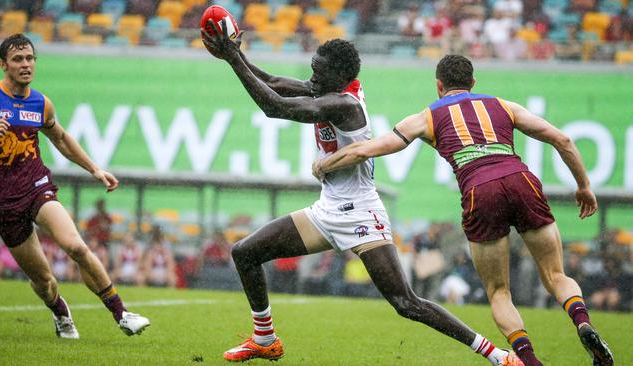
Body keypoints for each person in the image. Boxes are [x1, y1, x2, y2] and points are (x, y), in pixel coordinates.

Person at [202, 22, 522, 366]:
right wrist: (233, 56)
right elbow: (278, 84)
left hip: (361, 215)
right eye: (311, 70)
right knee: (245, 252)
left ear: (338, 76)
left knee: (406, 303)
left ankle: (496, 355)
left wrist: (235, 59)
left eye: (317, 72)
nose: (311, 79)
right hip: (328, 211)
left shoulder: (344, 104)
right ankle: (265, 339)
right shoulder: (330, 87)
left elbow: (275, 106)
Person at [312, 54, 614, 366]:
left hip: (479, 190)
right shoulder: (503, 105)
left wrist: (325, 163)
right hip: (521, 180)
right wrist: (583, 186)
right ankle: (582, 322)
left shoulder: (426, 117)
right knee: (555, 274)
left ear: (439, 86)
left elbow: (365, 148)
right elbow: (561, 139)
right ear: (472, 83)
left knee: (499, 292)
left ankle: (529, 360)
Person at [0, 34, 149, 338]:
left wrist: (95, 169)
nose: (25, 64)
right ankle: (60, 311)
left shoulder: (41, 103)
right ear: (3, 64)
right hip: (3, 201)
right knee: (44, 280)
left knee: (75, 245)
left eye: (30, 58)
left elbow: (60, 138)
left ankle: (122, 313)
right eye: (18, 59)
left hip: (36, 187)